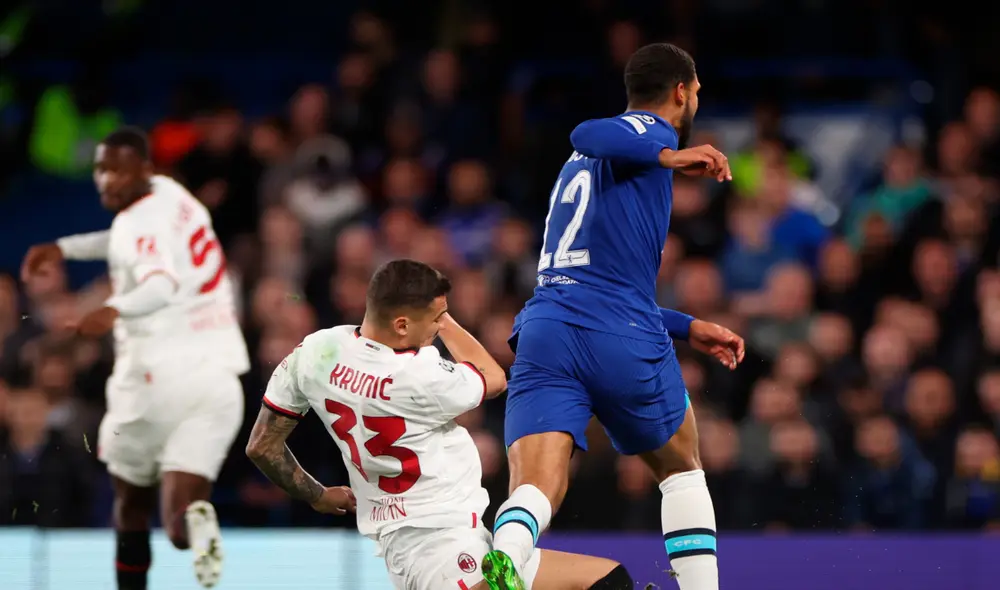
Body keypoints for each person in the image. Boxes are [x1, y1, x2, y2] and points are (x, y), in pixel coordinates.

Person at [483, 43, 744, 590]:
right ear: (681, 91)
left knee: (537, 482)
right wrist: (669, 156)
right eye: (696, 92)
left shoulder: (586, 166)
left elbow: (599, 281)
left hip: (547, 330)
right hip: (617, 334)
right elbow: (586, 130)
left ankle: (506, 552)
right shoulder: (646, 135)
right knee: (681, 468)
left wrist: (686, 326)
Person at [246, 259, 635, 590]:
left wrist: (316, 495)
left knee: (609, 580)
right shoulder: (419, 375)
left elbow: (262, 446)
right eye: (435, 318)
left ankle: (505, 556)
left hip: (446, 540)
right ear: (402, 325)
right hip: (438, 549)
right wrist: (447, 322)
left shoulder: (318, 351)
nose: (438, 328)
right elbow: (494, 378)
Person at [20, 127, 250, 589]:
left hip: (153, 380)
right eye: (101, 170)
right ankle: (197, 524)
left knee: (131, 506)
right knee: (179, 519)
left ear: (144, 170)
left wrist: (110, 309)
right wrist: (66, 248)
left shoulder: (137, 224)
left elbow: (158, 283)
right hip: (217, 381)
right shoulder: (176, 198)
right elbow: (127, 240)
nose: (107, 180)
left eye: (118, 171)